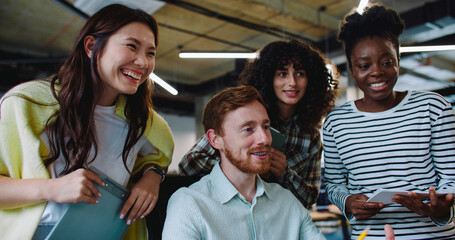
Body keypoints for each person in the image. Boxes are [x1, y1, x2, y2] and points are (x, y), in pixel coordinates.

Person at [0, 4, 174, 240]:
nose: (143, 62)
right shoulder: (27, 104)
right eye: (131, 46)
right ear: (92, 46)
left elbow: (157, 160)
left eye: (150, 53)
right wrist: (53, 188)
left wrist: (153, 176)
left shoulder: (149, 125)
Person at [323, 4, 455, 239]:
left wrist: (441, 209)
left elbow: (451, 176)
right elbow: (333, 184)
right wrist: (348, 203)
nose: (376, 72)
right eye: (364, 66)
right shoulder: (336, 123)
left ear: (398, 59)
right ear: (352, 70)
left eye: (386, 62)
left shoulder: (433, 108)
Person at [179, 40, 338, 208]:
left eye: (300, 73)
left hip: (279, 221)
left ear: (311, 80)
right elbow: (189, 164)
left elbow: (309, 199)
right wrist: (242, 167)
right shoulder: (242, 117)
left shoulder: (310, 136)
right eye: (282, 74)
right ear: (268, 78)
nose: (292, 82)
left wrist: (285, 173)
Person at [162, 86, 326, 239]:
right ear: (215, 139)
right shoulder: (189, 204)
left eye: (266, 127)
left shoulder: (288, 202)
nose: (264, 139)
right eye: (248, 129)